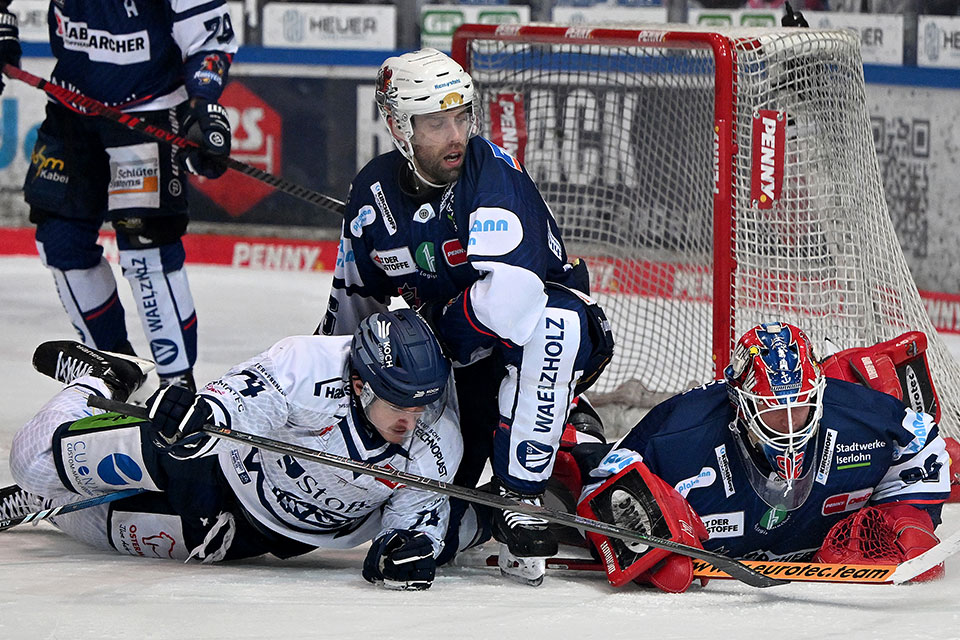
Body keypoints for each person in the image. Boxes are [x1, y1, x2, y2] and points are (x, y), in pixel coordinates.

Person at [316, 48, 614, 585]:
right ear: (398, 126)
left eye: (462, 117)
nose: (456, 135)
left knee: (555, 324)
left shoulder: (493, 177)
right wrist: (323, 389)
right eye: (436, 122)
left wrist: (434, 333)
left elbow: (513, 299)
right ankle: (494, 509)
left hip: (536, 343)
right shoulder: (372, 197)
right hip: (462, 367)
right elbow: (352, 309)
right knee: (430, 522)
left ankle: (524, 490)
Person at [7, 308, 463, 591]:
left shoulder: (436, 441)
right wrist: (203, 419)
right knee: (34, 464)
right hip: (209, 463)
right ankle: (110, 379)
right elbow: (233, 408)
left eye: (426, 403)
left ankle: (52, 503)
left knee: (78, 519)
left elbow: (412, 520)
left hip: (248, 535)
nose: (415, 419)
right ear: (361, 385)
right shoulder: (305, 367)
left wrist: (407, 550)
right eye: (401, 404)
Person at [569, 322, 950, 592]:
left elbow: (922, 438)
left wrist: (909, 513)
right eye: (771, 410)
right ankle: (576, 416)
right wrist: (646, 535)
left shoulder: (856, 415)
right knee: (571, 460)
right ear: (740, 402)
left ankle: (861, 366)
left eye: (799, 408)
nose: (788, 426)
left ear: (818, 394)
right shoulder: (680, 430)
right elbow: (602, 480)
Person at [0, 0, 238, 392]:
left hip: (149, 114)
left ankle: (178, 387)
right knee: (60, 243)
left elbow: (209, 38)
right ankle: (116, 371)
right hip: (71, 109)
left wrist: (203, 105)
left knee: (148, 251)